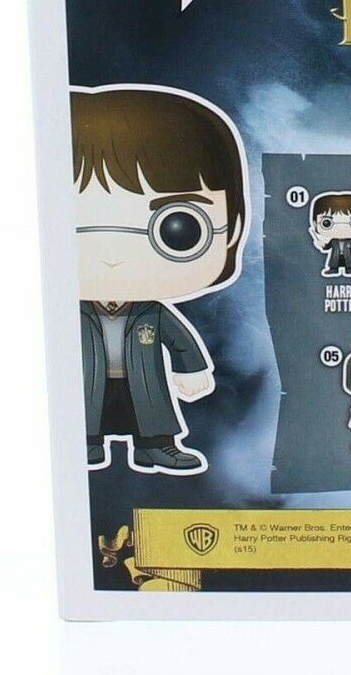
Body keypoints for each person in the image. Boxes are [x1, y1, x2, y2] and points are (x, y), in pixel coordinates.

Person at [72, 85, 248, 473]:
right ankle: (84, 444)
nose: (113, 257)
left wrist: (191, 368)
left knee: (151, 409)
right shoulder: (65, 313)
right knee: (84, 411)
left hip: (142, 378)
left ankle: (155, 446)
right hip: (85, 381)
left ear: (232, 229)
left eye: (178, 229)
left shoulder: (151, 311)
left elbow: (179, 340)